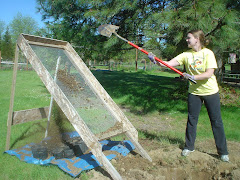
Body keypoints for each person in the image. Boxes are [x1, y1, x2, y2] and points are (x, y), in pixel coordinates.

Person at [148, 30, 229, 162]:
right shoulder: (186, 55)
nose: (186, 40)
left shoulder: (208, 53)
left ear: (197, 39)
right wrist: (156, 61)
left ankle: (223, 152)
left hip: (210, 92)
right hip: (194, 93)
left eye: (189, 38)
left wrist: (192, 77)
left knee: (216, 122)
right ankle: (189, 146)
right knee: (192, 120)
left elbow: (209, 73)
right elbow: (168, 63)